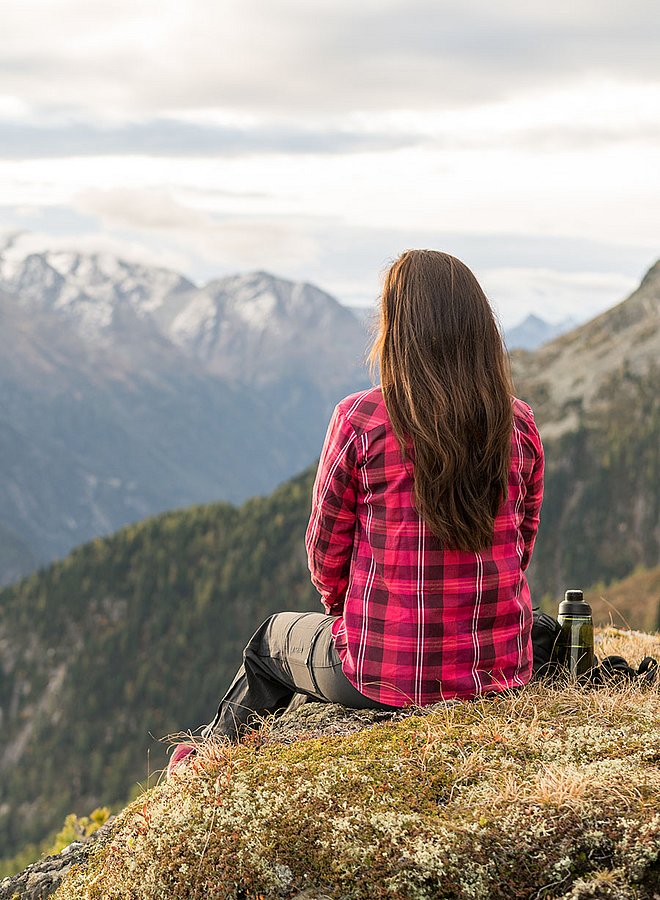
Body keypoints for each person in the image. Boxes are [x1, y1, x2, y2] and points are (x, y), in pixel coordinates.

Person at [168, 249, 544, 774]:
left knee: (268, 642)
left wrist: (344, 614)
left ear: (397, 329)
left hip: (386, 675)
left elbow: (326, 552)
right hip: (499, 672)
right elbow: (521, 545)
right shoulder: (519, 423)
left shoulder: (362, 418)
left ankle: (205, 764)